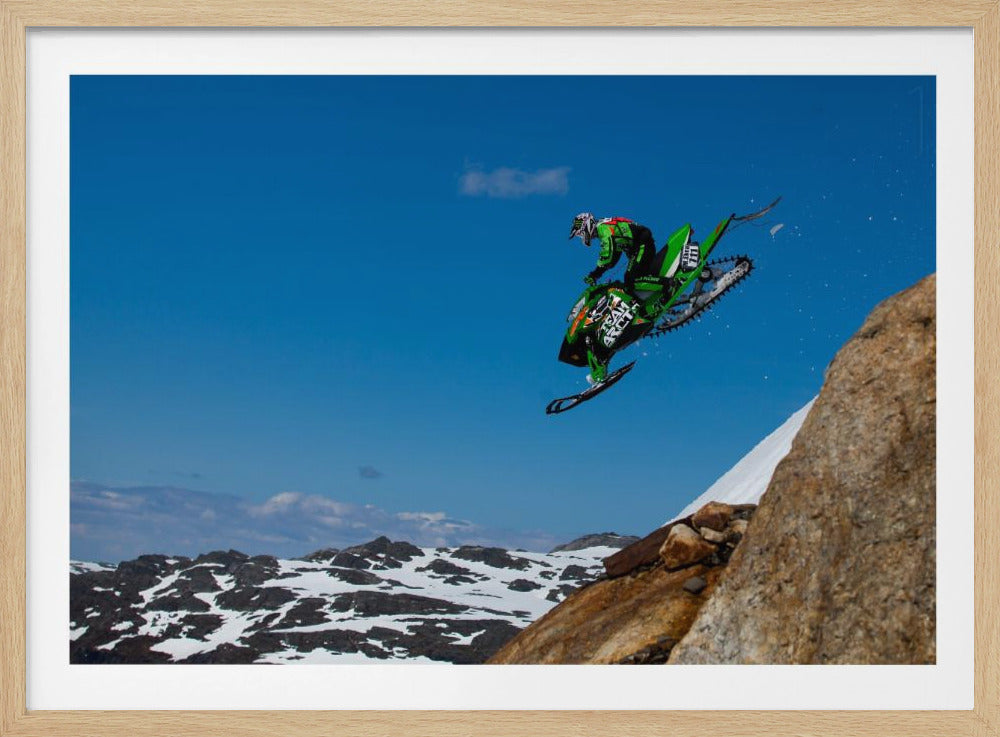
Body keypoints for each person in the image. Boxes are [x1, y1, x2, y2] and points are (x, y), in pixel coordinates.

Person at [568, 212, 679, 383]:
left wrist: (595, 273)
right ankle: (654, 298)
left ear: (586, 225)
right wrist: (599, 272)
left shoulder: (603, 228)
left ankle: (667, 285)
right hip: (639, 244)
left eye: (581, 232)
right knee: (630, 281)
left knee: (632, 281)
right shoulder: (606, 227)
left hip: (642, 242)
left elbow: (609, 254)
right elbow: (615, 254)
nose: (583, 237)